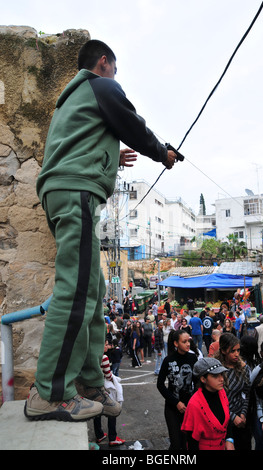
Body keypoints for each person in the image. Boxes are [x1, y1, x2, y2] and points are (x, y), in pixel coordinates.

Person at [25, 39, 176, 421]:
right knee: (75, 292)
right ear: (104, 62)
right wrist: (163, 153)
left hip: (68, 191)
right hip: (76, 192)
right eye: (115, 68)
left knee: (93, 289)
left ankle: (90, 381)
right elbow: (131, 124)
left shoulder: (72, 101)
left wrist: (114, 158)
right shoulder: (100, 86)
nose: (116, 77)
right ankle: (50, 394)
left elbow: (84, 141)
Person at [181, 357, 234, 450]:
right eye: (215, 376)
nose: (221, 379)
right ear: (203, 379)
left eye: (221, 374)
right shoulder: (194, 404)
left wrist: (229, 440)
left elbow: (227, 420)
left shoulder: (222, 393)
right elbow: (192, 441)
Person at [157, 330, 198, 450]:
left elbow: (197, 383)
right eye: (184, 341)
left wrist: (193, 403)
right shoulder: (168, 360)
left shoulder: (192, 358)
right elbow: (160, 385)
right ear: (176, 343)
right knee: (176, 443)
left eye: (188, 341)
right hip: (172, 407)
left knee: (186, 442)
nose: (188, 344)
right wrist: (176, 402)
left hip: (189, 407)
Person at [215, 333, 252, 450]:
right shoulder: (216, 369)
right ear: (224, 351)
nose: (236, 354)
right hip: (222, 420)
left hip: (241, 419)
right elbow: (215, 399)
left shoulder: (243, 368)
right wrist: (233, 417)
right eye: (233, 351)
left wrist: (243, 413)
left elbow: (247, 392)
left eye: (238, 350)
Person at [94, 340, 125, 447]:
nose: (108, 346)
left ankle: (99, 435)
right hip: (105, 388)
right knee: (112, 410)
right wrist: (115, 381)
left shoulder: (91, 356)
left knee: (96, 412)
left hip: (94, 388)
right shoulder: (104, 358)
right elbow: (108, 375)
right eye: (106, 344)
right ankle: (113, 438)